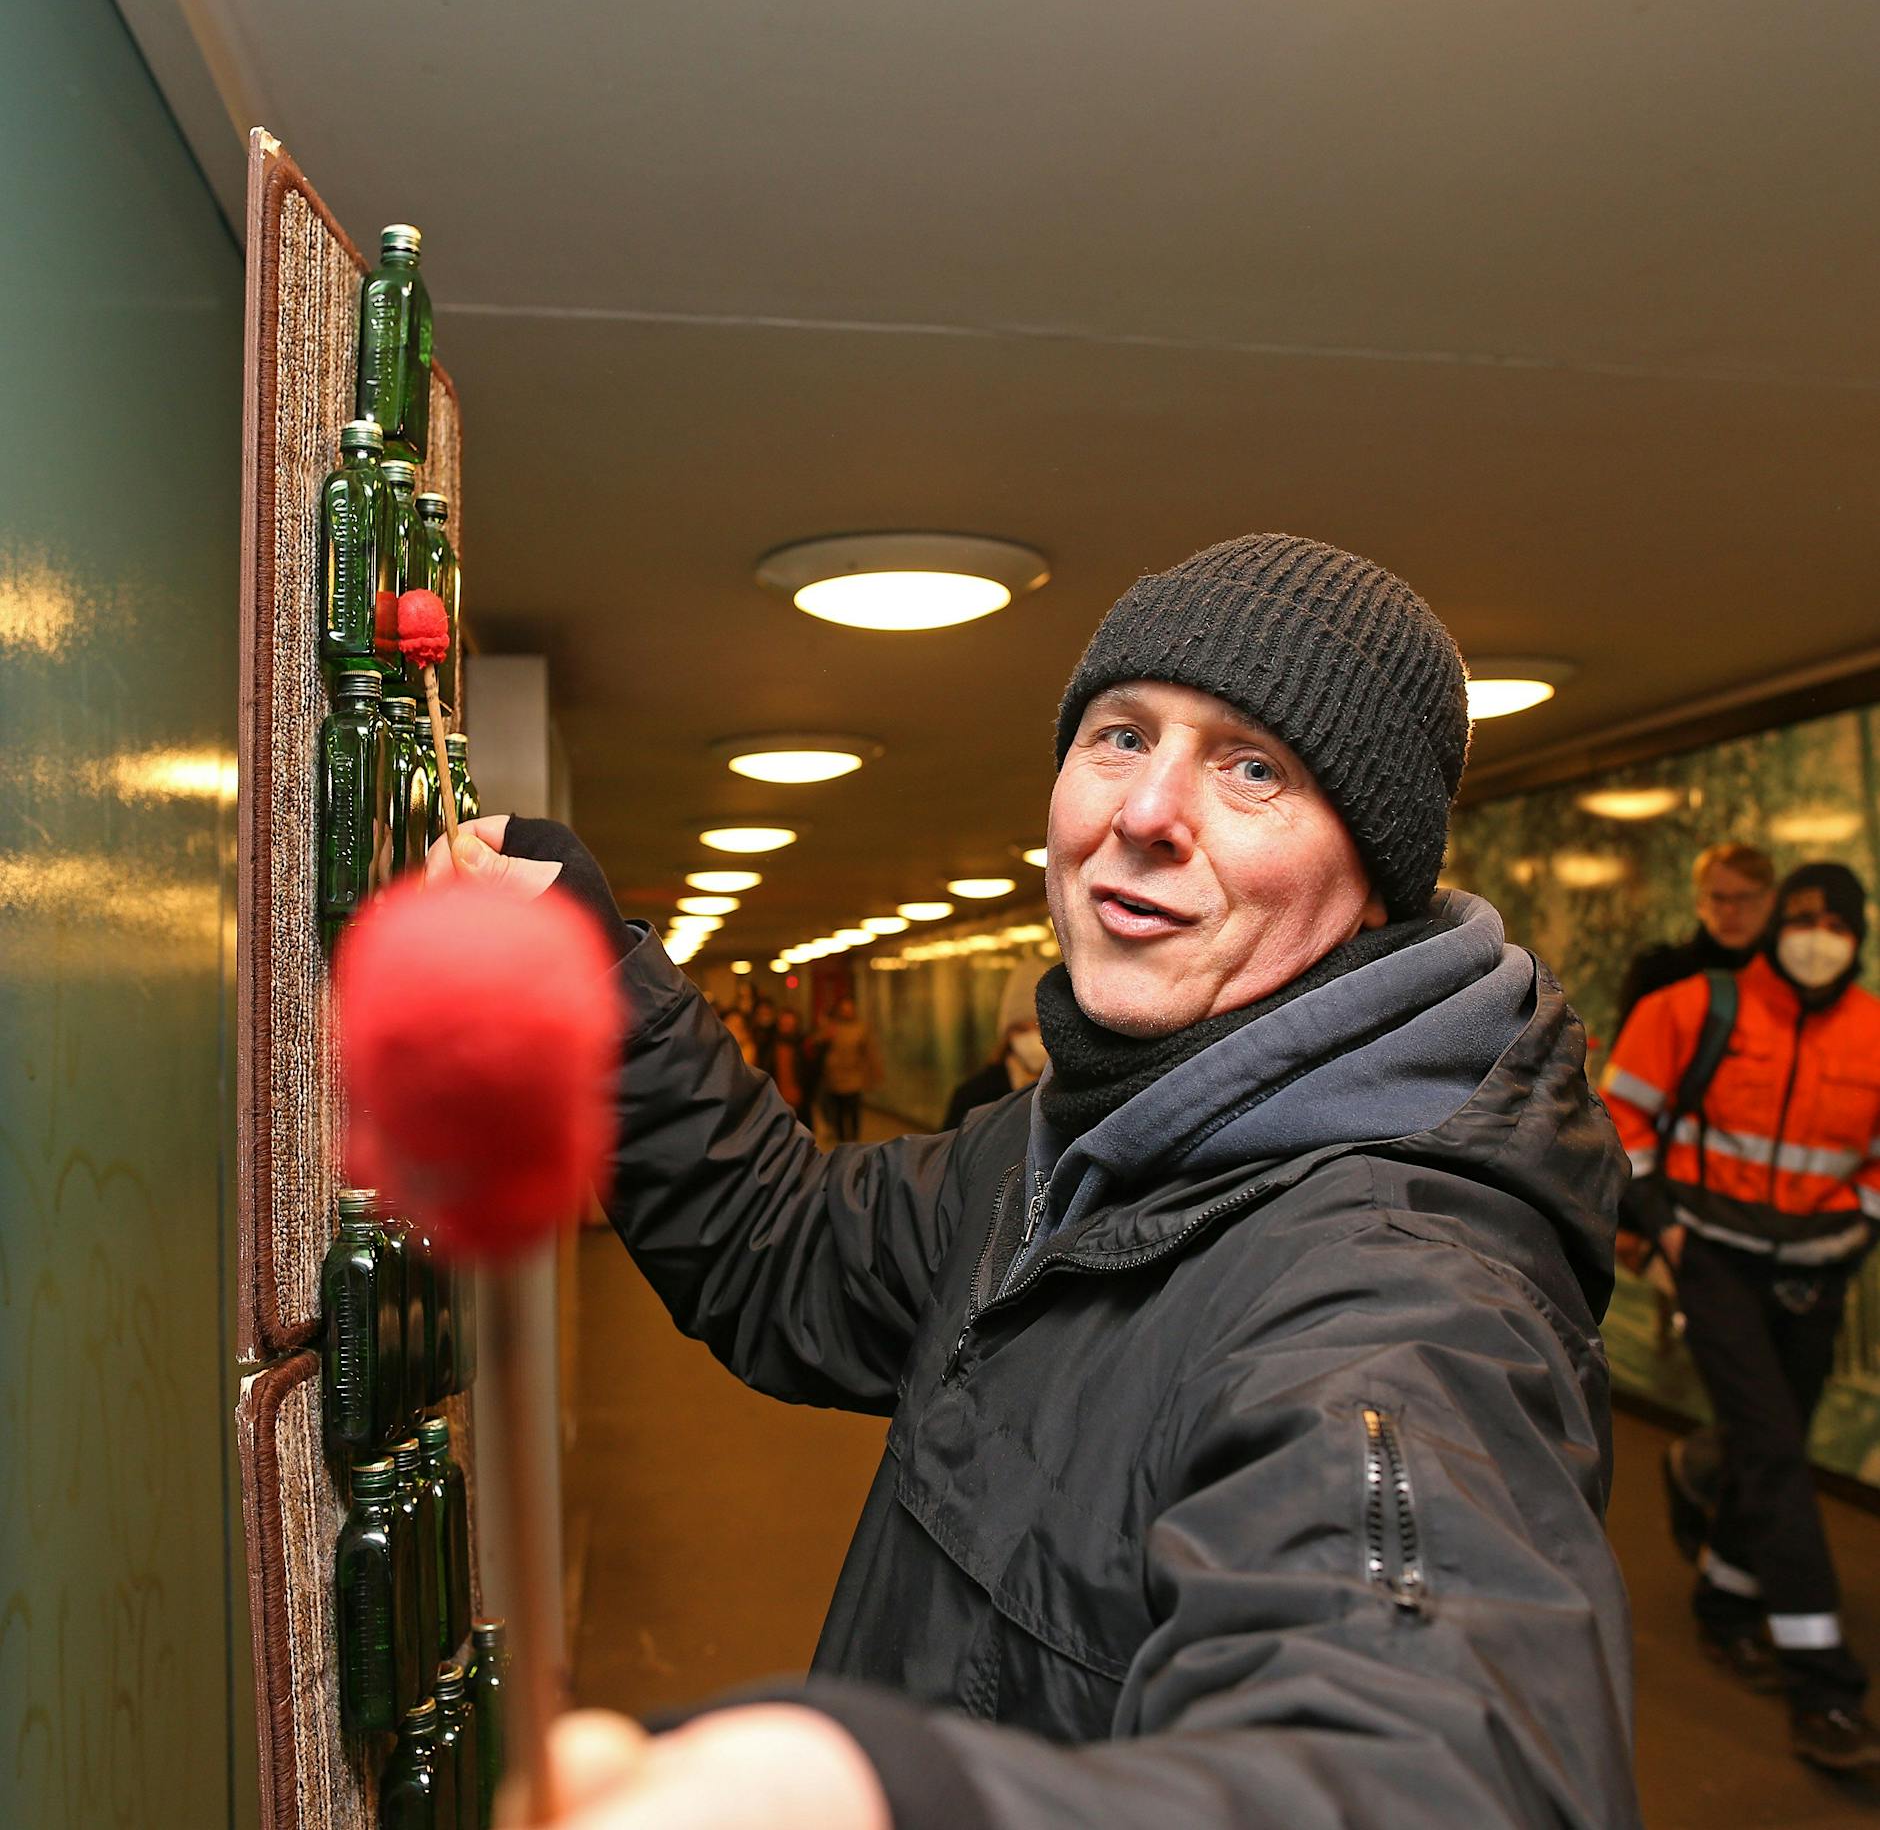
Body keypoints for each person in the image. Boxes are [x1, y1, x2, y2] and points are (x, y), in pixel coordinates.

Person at [436, 532, 1637, 1828]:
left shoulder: (1399, 1295)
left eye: (1253, 769)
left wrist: (889, 1796)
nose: (1146, 813)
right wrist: (594, 979)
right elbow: (781, 1245)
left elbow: (1429, 1765)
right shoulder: (1053, 1146)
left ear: (1372, 891)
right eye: (1122, 735)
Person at [1601, 861, 1880, 1772]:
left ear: (1859, 933)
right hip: (1713, 1260)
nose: (1816, 934)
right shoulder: (1693, 1007)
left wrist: (1861, 1223)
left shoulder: (1876, 1031)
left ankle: (1725, 1602)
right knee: (1772, 1449)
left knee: (1773, 1442)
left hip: (1817, 1274)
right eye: (1800, 917)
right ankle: (1824, 1685)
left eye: (1835, 921)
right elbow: (1622, 1122)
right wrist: (1668, 1233)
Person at [1616, 841, 1776, 1030]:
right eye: (1718, 898)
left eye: (1744, 898)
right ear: (1700, 903)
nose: (1730, 910)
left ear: (1771, 901)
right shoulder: (1658, 973)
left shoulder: (1787, 975)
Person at [941, 959, 1050, 1130]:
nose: (1033, 1037)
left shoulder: (1072, 1091)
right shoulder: (973, 1097)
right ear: (1006, 1036)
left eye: (1040, 1027)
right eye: (1021, 1029)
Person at [813, 995, 882, 1142]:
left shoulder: (860, 1028)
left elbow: (869, 1053)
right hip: (833, 1078)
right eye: (843, 1009)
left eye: (849, 1009)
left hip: (853, 1078)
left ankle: (854, 1142)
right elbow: (816, 1044)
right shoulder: (832, 1027)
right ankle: (843, 1142)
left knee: (853, 1113)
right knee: (838, 1114)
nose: (846, 1012)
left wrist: (874, 1074)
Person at [759, 1004, 817, 1127]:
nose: (787, 1026)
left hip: (800, 1100)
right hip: (777, 1099)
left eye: (790, 1024)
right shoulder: (770, 1044)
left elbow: (811, 1072)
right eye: (784, 1023)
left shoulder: (803, 1044)